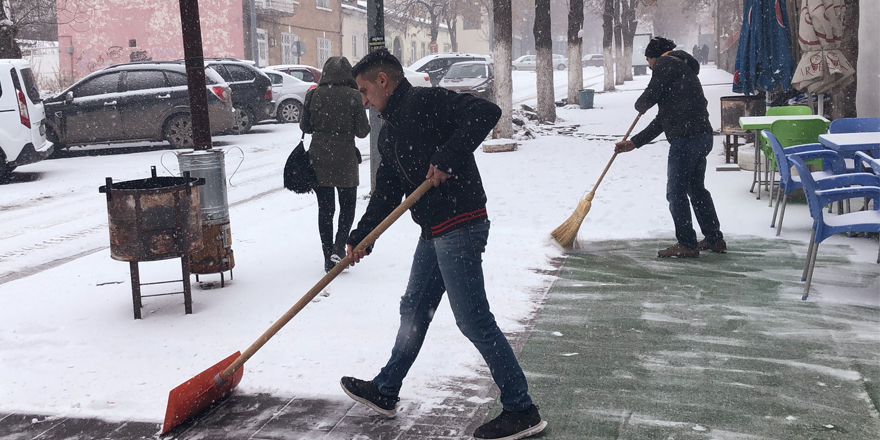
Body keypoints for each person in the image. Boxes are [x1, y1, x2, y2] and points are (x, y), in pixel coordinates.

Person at [339, 48, 547, 440]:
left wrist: (448, 155)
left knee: (473, 320)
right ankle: (386, 389)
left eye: (365, 90)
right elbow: (386, 191)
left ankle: (522, 410)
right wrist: (363, 235)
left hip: (462, 223)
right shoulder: (392, 128)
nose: (364, 101)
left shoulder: (425, 101)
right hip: (434, 229)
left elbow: (487, 113)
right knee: (414, 309)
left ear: (383, 80)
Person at [614, 36, 726, 258]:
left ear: (653, 56)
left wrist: (641, 104)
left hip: (686, 139)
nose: (650, 67)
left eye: (649, 62)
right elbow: (663, 119)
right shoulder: (683, 70)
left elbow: (651, 94)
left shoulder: (666, 64)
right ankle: (714, 239)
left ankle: (687, 244)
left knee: (676, 192)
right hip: (702, 136)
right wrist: (635, 142)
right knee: (696, 190)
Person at [300, 56, 370, 273]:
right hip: (345, 157)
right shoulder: (353, 97)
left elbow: (306, 126)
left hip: (319, 157)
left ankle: (326, 254)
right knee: (347, 206)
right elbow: (363, 131)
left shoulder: (313, 95)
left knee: (325, 209)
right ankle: (339, 247)